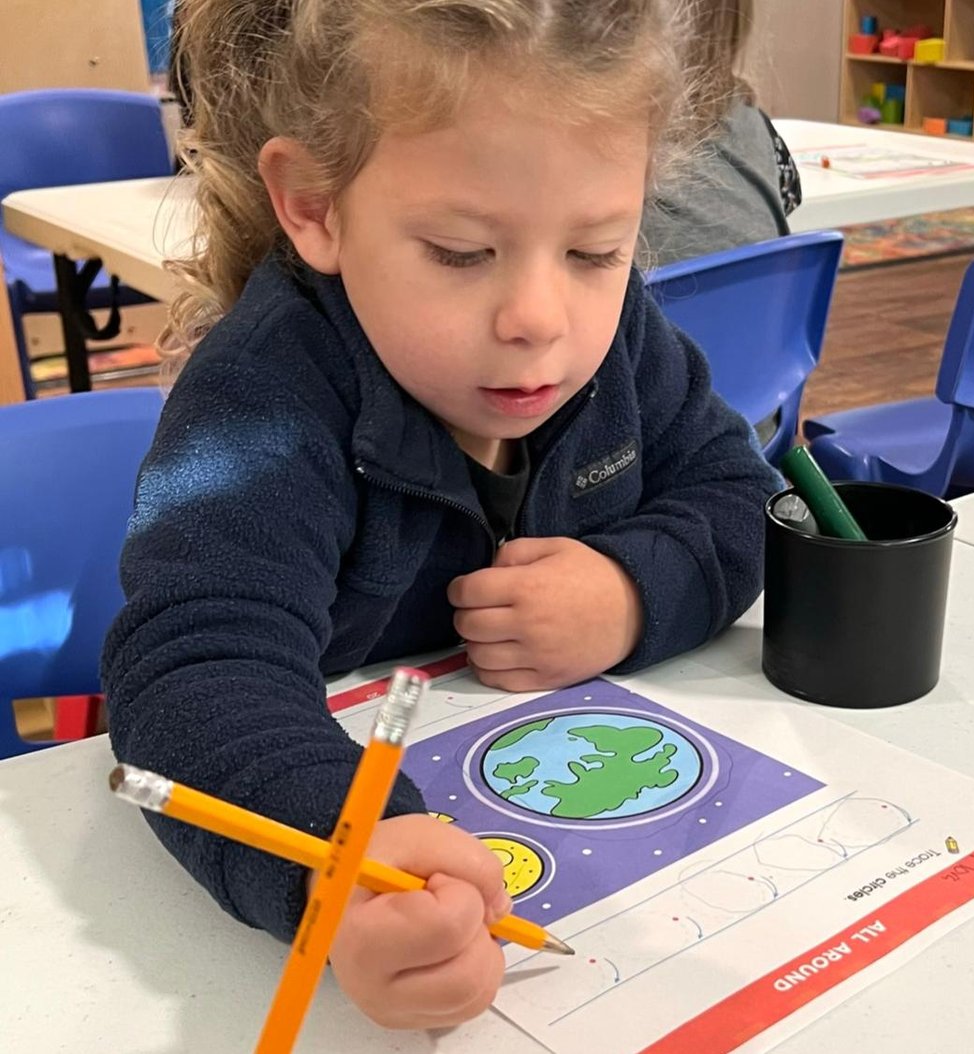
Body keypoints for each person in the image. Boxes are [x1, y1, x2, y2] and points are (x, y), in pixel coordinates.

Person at [103, 0, 781, 1031]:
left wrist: (632, 591)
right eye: (462, 252)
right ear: (316, 207)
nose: (539, 319)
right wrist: (343, 856)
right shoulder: (264, 400)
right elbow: (194, 668)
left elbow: (738, 492)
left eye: (597, 251)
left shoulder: (617, 341)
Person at [642, 0, 802, 266]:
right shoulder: (752, 117)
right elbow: (789, 197)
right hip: (768, 290)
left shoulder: (626, 126)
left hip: (663, 291)